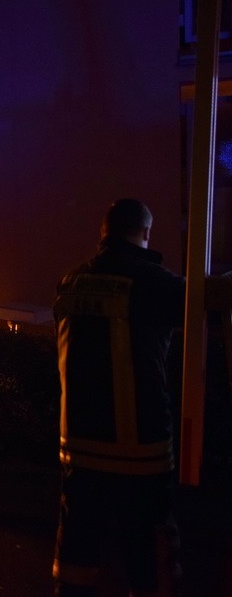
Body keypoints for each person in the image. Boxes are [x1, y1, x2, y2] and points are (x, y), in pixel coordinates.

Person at [52, 198, 232, 596]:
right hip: (140, 449)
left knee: (78, 549)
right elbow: (211, 298)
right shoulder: (153, 283)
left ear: (103, 233)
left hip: (78, 447)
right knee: (148, 552)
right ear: (146, 233)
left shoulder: (71, 280)